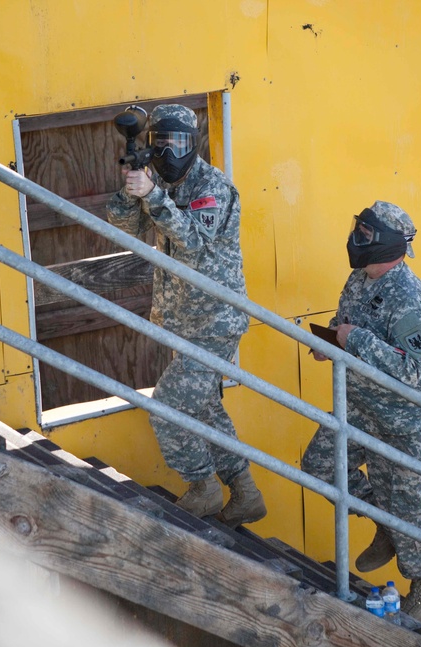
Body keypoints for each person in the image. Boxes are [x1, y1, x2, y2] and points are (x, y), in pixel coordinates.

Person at [106, 104, 266, 528]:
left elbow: (192, 239)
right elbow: (125, 227)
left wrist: (153, 195)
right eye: (161, 142)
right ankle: (245, 492)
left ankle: (203, 487)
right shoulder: (155, 180)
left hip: (216, 320)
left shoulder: (213, 187)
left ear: (192, 144)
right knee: (204, 407)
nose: (169, 151)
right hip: (180, 321)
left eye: (178, 142)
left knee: (168, 407)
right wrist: (131, 190)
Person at [300, 201, 421, 623]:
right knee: (319, 464)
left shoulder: (406, 296)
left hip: (402, 420)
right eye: (357, 230)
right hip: (361, 405)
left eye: (365, 234)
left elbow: (413, 370)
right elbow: (350, 321)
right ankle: (384, 525)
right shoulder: (361, 277)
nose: (356, 239)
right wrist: (331, 341)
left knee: (408, 507)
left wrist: (354, 340)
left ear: (387, 244)